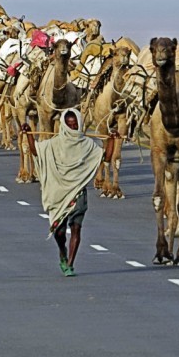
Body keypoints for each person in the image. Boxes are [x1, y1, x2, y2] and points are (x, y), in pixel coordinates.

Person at [21, 108, 116, 277]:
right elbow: (36, 151)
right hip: (58, 193)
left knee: (76, 229)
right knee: (59, 231)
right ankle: (62, 251)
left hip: (78, 192)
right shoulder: (54, 143)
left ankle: (70, 264)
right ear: (64, 125)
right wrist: (28, 133)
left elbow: (105, 158)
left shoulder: (87, 144)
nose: (73, 127)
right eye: (69, 124)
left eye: (75, 124)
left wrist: (112, 141)